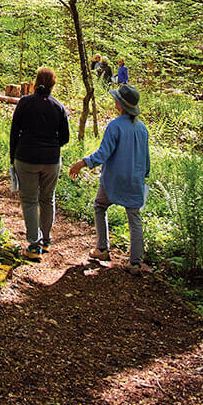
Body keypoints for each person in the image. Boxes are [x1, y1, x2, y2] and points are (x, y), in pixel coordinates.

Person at [69, 82, 150, 275]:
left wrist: (82, 163)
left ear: (120, 104)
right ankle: (135, 262)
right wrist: (144, 175)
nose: (114, 101)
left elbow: (103, 153)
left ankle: (103, 249)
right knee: (134, 217)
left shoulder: (115, 126)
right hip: (135, 180)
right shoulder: (142, 128)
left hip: (113, 179)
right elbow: (146, 158)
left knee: (100, 206)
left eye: (116, 100)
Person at [9, 66, 70, 262]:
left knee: (29, 200)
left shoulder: (24, 103)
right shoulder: (58, 107)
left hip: (25, 157)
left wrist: (13, 157)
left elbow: (14, 132)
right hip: (51, 161)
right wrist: (51, 146)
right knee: (47, 198)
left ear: (35, 82)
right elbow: (65, 138)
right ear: (53, 84)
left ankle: (34, 245)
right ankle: (46, 240)